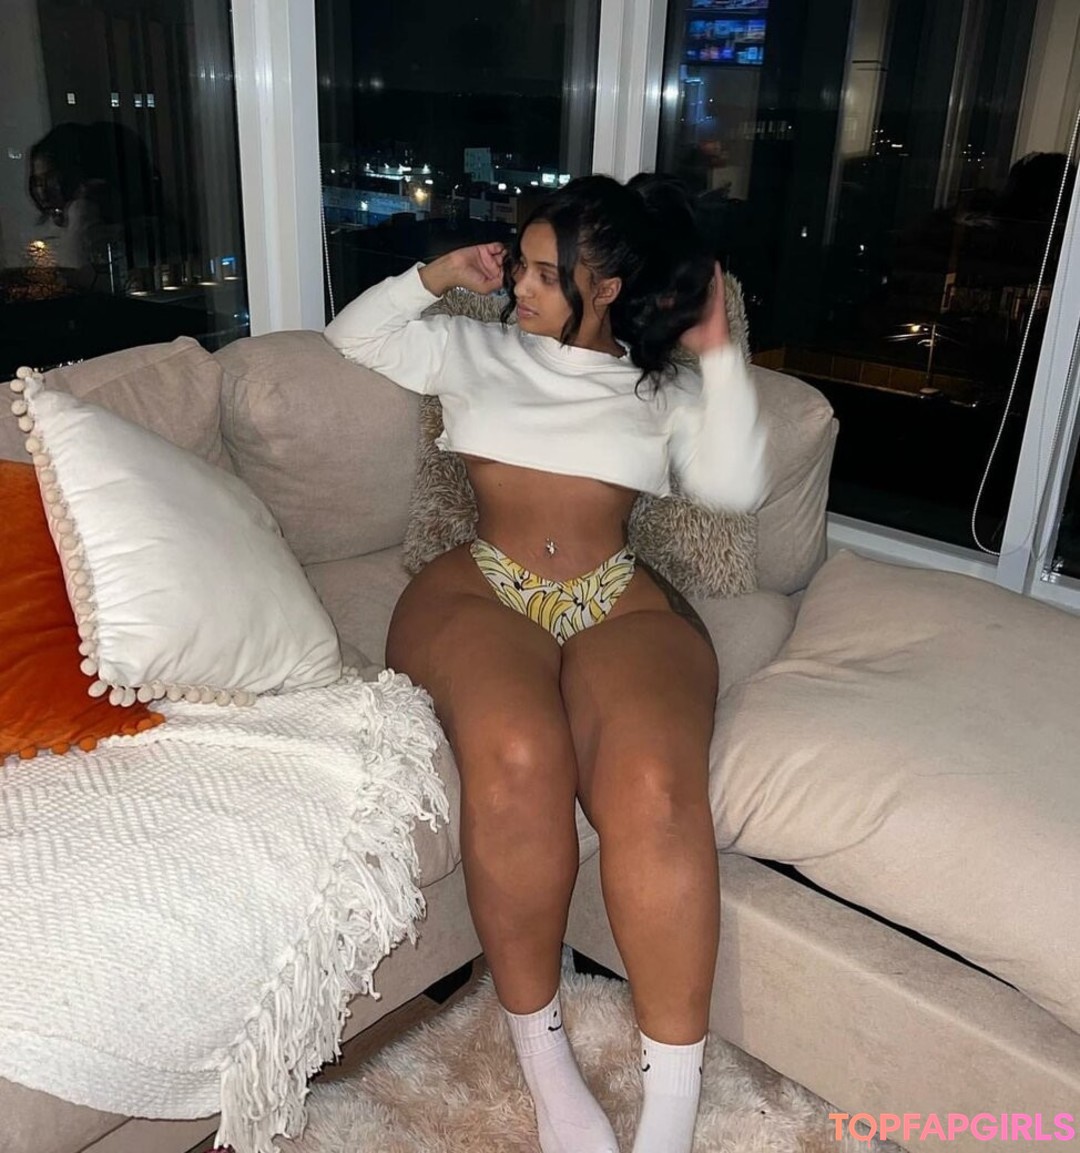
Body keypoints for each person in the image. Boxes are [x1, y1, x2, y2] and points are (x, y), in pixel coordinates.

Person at [325, 173, 767, 1153]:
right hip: (483, 586)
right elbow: (352, 336)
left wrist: (719, 354)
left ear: (604, 286)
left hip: (616, 592)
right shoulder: (474, 349)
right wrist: (437, 275)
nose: (517, 287)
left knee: (655, 785)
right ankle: (542, 1050)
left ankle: (671, 1107)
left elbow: (736, 481)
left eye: (541, 272)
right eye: (517, 264)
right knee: (520, 755)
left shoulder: (657, 389)